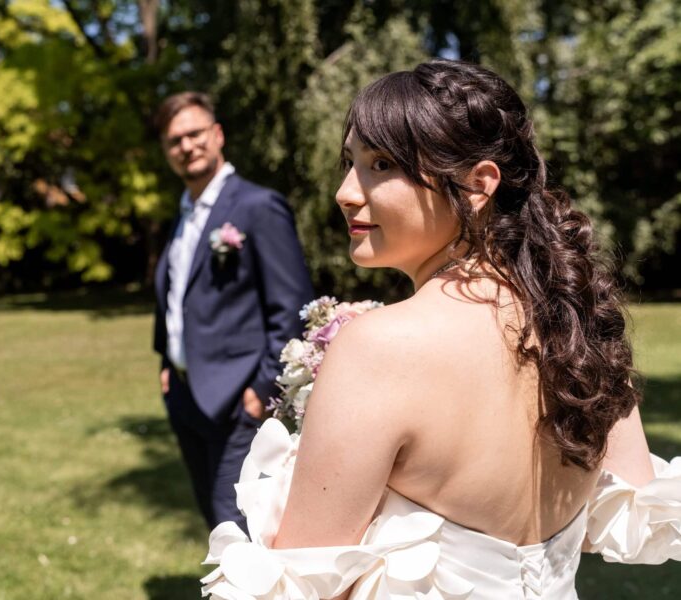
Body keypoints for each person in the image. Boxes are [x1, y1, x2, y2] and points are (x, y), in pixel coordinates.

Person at [201, 60, 680, 599]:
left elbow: (301, 584)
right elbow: (636, 509)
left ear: (478, 186)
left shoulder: (380, 347)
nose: (345, 192)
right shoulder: (577, 321)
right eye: (350, 162)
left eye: (380, 164)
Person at [152, 92, 314, 532]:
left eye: (194, 134)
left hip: (237, 401)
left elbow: (291, 307)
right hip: (185, 398)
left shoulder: (257, 207)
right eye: (174, 141)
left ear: (217, 134)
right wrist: (168, 364)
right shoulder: (184, 215)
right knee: (216, 524)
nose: (186, 146)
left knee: (238, 530)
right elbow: (175, 294)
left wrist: (260, 390)